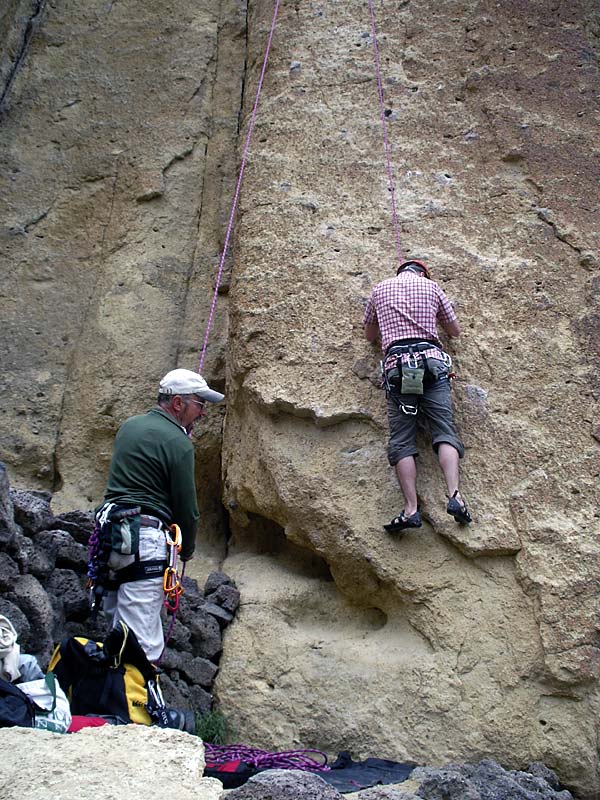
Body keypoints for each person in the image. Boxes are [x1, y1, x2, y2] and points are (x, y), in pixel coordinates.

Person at [97, 368, 224, 662]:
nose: (203, 414)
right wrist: (188, 549)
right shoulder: (179, 443)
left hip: (111, 535)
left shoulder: (129, 427)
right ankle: (134, 705)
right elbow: (186, 508)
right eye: (200, 404)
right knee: (139, 642)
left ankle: (109, 699)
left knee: (116, 627)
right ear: (178, 404)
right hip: (146, 539)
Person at [363, 259, 471, 533]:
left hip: (399, 369)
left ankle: (411, 509)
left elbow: (369, 335)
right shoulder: (431, 287)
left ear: (399, 271)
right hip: (432, 364)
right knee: (444, 430)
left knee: (402, 440)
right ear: (423, 273)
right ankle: (455, 496)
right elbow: (454, 331)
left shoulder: (380, 289)